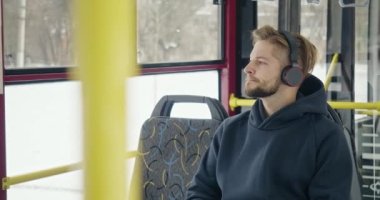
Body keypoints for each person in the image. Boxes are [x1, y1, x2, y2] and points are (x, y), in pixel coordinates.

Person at [186, 25, 353, 199]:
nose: (248, 68)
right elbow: (200, 192)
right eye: (251, 60)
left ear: (292, 74)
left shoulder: (326, 137)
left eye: (261, 62)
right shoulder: (230, 129)